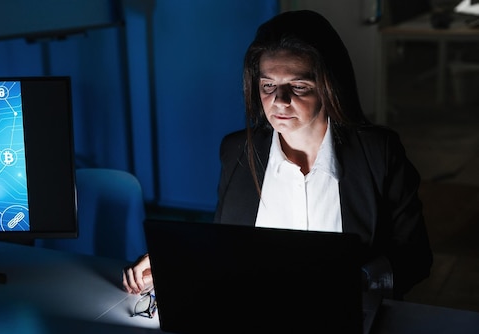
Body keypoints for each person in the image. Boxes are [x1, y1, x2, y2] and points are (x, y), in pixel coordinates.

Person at [122, 9, 433, 300]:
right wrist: (168, 261)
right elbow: (226, 243)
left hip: (345, 323)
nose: (279, 102)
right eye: (268, 85)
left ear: (329, 86)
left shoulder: (379, 153)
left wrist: (359, 279)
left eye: (298, 86)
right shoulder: (237, 151)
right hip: (257, 322)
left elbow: (415, 258)